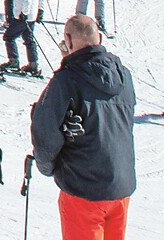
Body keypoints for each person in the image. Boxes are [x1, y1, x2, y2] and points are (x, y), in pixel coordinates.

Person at [30, 14, 136, 240]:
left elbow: (45, 131)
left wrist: (48, 167)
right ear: (98, 36)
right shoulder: (123, 74)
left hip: (84, 187)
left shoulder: (67, 79)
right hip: (120, 185)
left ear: (68, 40)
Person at [4, 0, 43, 77]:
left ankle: (13, 61)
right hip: (32, 16)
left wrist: (24, 13)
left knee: (9, 37)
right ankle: (33, 64)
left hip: (22, 16)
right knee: (29, 39)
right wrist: (40, 10)